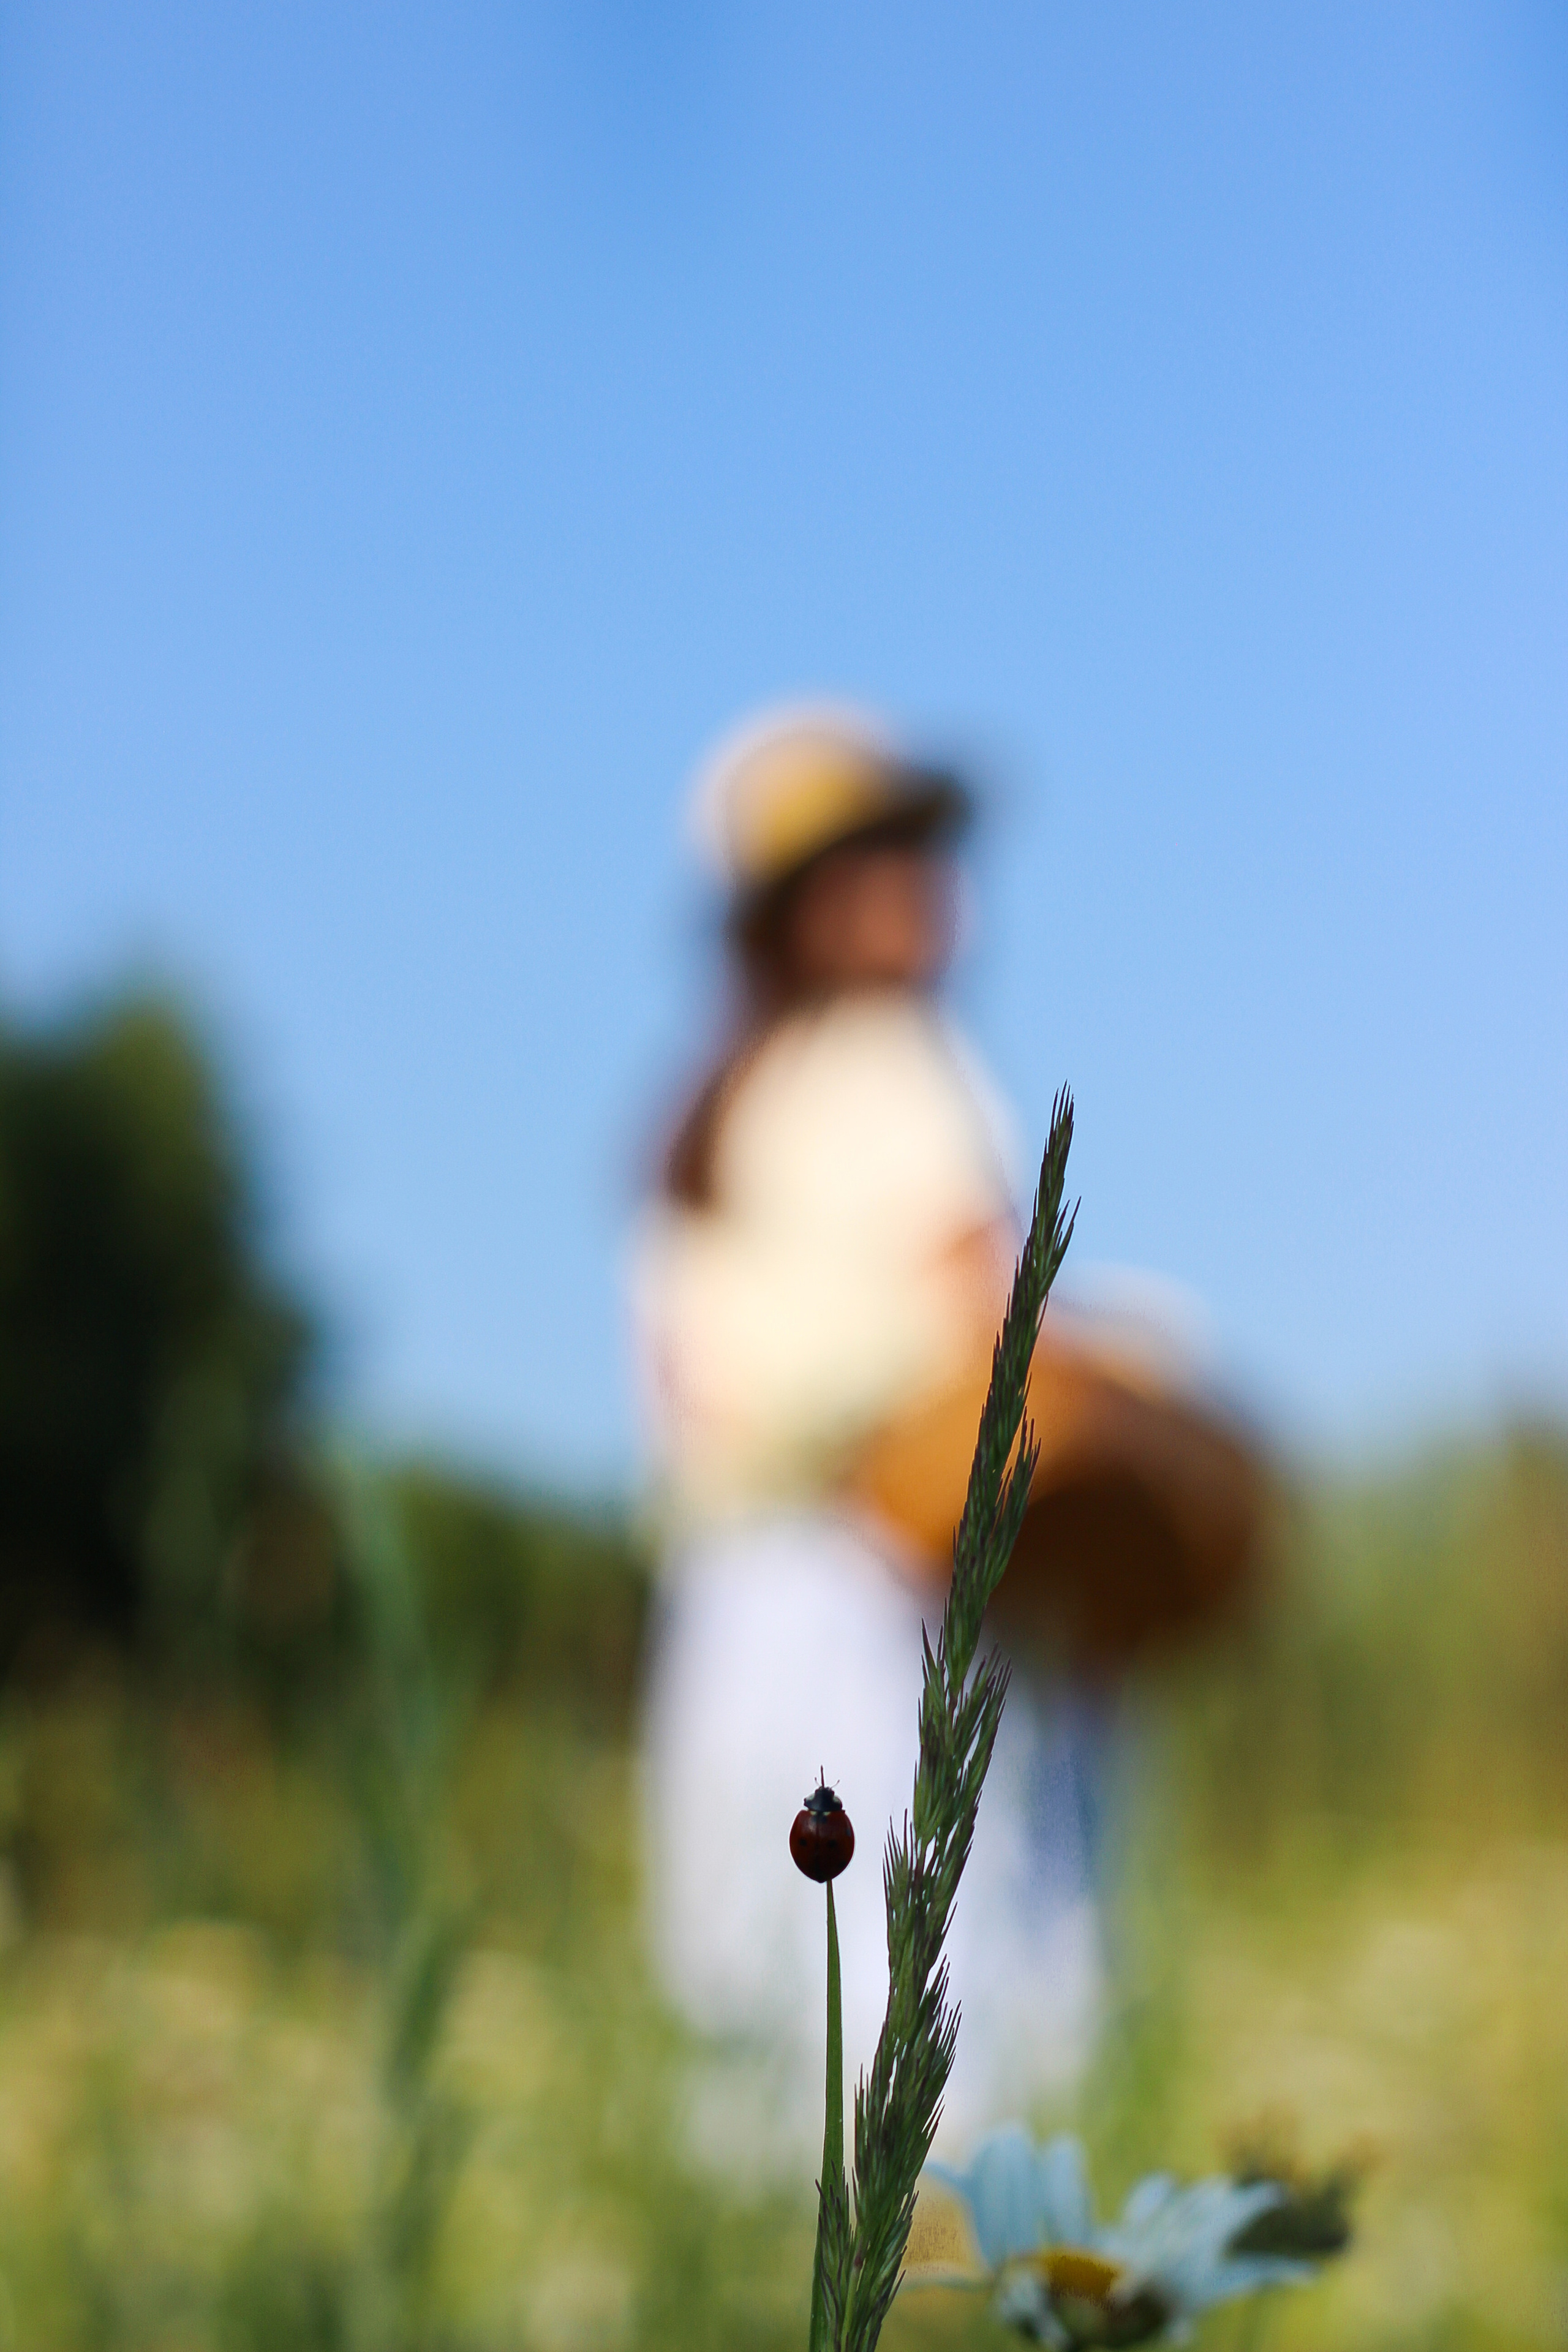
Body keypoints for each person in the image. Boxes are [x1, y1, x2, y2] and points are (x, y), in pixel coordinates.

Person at [630, 705, 1262, 2169]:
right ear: (786, 911)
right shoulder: (893, 1063)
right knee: (952, 2007)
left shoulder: (706, 1114)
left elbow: (691, 1396)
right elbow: (988, 1323)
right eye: (870, 860)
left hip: (734, 1597)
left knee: (766, 2013)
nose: (919, 887)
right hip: (888, 1582)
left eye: (920, 851)